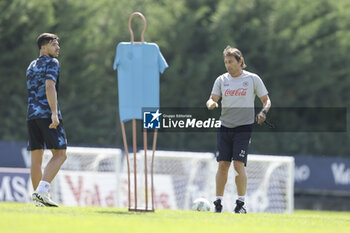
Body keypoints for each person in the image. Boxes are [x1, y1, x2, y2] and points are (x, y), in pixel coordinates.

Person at [206, 46, 271, 213]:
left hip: (243, 128)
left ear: (240, 61)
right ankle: (218, 203)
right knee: (222, 165)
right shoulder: (221, 80)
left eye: (231, 61)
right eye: (225, 62)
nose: (228, 65)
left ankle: (240, 204)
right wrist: (212, 103)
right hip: (225, 127)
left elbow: (266, 100)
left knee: (238, 165)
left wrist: (263, 112)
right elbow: (211, 99)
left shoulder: (252, 79)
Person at [26, 33, 67, 207]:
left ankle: (38, 201)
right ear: (43, 47)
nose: (58, 47)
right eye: (53, 44)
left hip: (31, 115)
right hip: (46, 113)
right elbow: (49, 86)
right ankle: (42, 192)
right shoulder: (52, 63)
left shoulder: (31, 65)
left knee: (36, 158)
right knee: (60, 154)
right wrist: (54, 113)